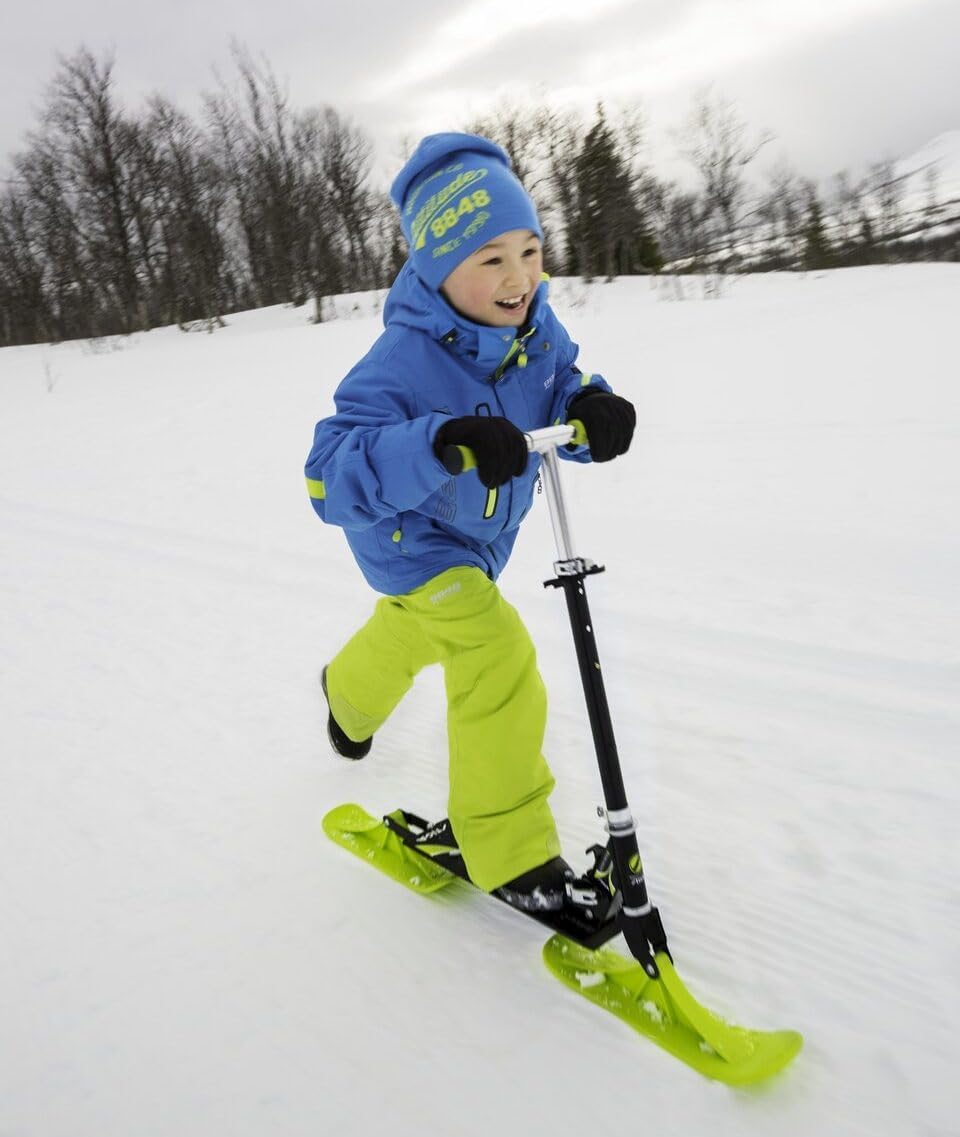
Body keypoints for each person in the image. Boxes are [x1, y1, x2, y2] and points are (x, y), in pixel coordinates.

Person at [305, 133, 635, 912]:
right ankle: (508, 852)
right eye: (491, 259)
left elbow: (561, 385)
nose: (519, 277)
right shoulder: (400, 362)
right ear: (436, 269)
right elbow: (328, 476)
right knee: (493, 649)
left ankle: (347, 694)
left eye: (530, 251)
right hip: (407, 539)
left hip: (481, 537)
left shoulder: (536, 334)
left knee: (422, 628)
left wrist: (591, 405)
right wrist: (440, 443)